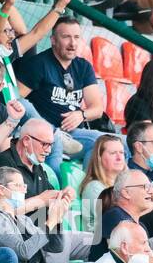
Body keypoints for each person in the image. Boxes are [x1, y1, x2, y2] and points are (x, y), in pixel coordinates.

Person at [13, 16, 109, 162]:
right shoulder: (39, 64)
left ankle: (89, 183)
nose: (72, 43)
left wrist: (81, 115)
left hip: (72, 137)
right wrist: (47, 132)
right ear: (53, 40)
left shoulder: (83, 66)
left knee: (108, 144)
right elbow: (15, 99)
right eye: (66, 37)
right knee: (26, 108)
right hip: (41, 136)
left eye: (76, 37)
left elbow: (97, 109)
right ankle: (54, 135)